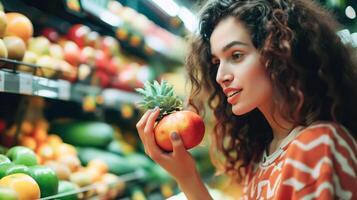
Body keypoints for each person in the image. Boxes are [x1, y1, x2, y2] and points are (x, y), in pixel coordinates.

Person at [136, 0, 357, 199]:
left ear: (279, 53)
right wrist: (186, 176)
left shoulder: (317, 145)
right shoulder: (265, 155)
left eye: (236, 55)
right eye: (216, 62)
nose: (221, 76)